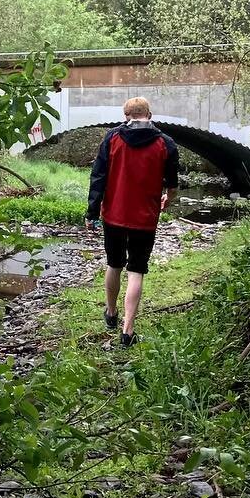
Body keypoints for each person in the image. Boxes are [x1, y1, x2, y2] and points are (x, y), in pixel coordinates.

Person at [86, 97, 179, 347]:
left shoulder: (112, 138)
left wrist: (92, 212)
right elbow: (172, 184)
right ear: (149, 114)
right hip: (145, 218)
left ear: (126, 115)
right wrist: (167, 199)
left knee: (114, 264)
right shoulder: (165, 143)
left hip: (114, 215)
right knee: (136, 271)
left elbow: (98, 177)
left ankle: (111, 313)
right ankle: (128, 330)